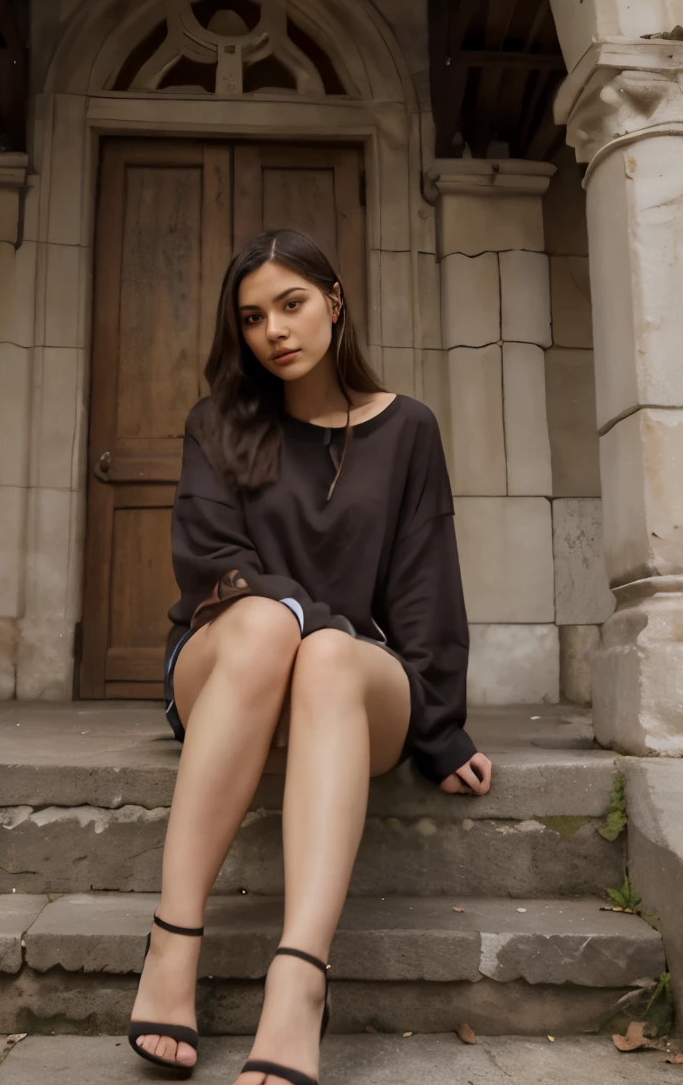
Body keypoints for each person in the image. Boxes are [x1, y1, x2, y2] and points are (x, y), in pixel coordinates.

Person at [128, 228, 493, 1085]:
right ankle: (172, 946)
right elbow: (213, 564)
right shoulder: (217, 423)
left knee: (326, 651)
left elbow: (424, 585)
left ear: (333, 300)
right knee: (269, 622)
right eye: (252, 317)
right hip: (230, 659)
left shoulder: (408, 428)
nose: (273, 331)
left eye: (291, 304)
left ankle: (297, 983)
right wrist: (301, 619)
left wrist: (441, 734)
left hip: (341, 682)